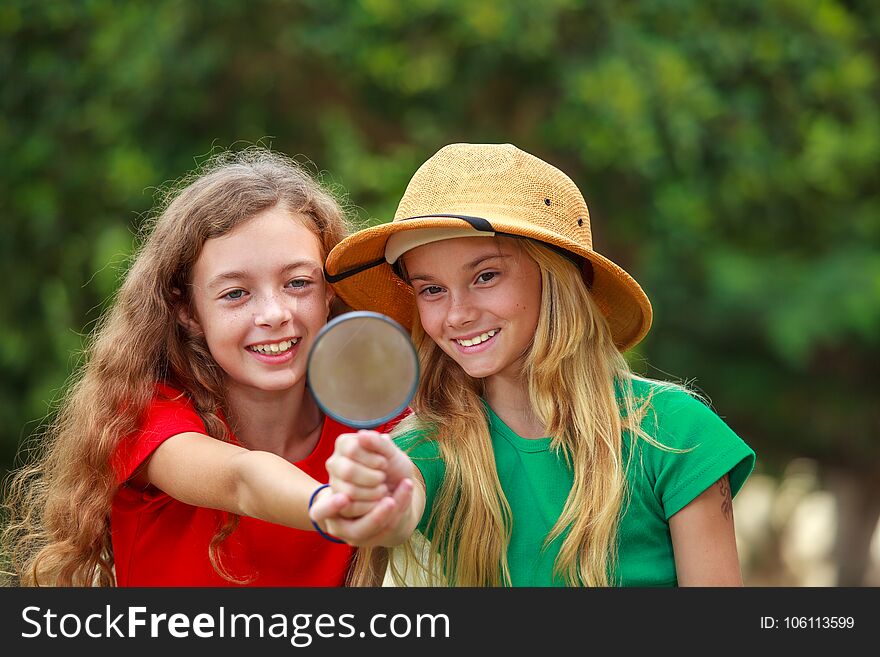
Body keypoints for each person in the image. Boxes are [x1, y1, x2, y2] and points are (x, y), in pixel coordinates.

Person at [310, 143, 756, 587]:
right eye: (431, 289)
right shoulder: (431, 447)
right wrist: (376, 495)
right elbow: (398, 506)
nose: (457, 313)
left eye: (485, 276)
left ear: (556, 277)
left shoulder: (675, 433)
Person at [1, 148, 404, 586]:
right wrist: (331, 506)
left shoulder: (375, 418)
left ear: (330, 291)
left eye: (298, 283)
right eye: (235, 293)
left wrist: (396, 511)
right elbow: (241, 480)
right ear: (187, 309)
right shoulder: (145, 412)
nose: (273, 313)